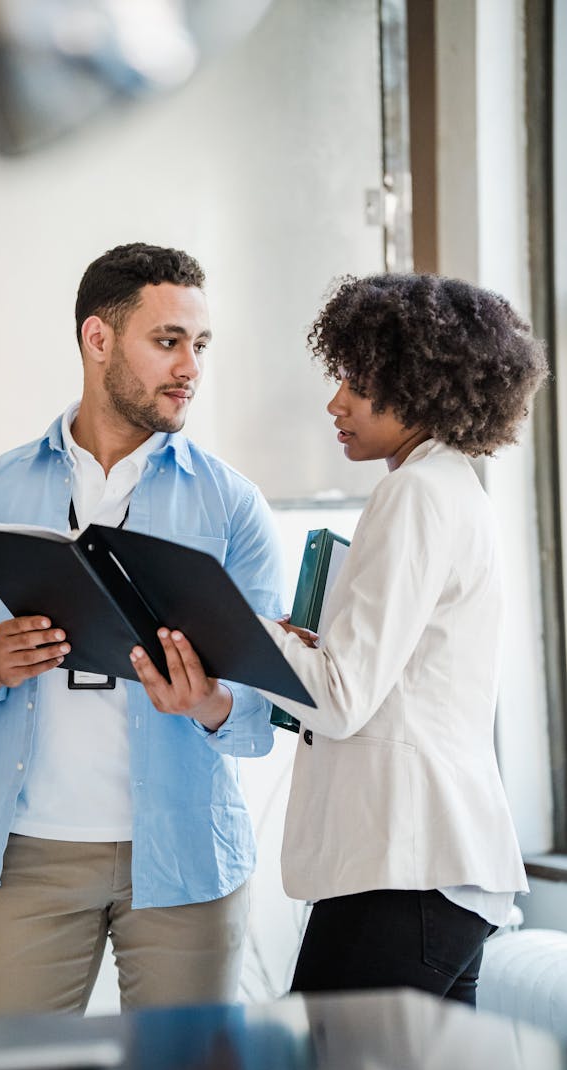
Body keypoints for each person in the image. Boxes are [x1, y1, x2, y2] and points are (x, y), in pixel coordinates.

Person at [0, 242, 286, 1016]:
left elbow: (264, 708)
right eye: (168, 341)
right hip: (26, 858)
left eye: (200, 344)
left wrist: (208, 701)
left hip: (187, 859)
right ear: (97, 339)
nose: (190, 367)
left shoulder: (234, 506)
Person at [216, 273, 546, 1005]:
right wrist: (305, 644)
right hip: (443, 874)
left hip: (405, 867)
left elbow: (339, 698)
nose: (335, 402)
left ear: (419, 384)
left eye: (356, 381)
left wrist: (236, 628)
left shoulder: (414, 494)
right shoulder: (455, 488)